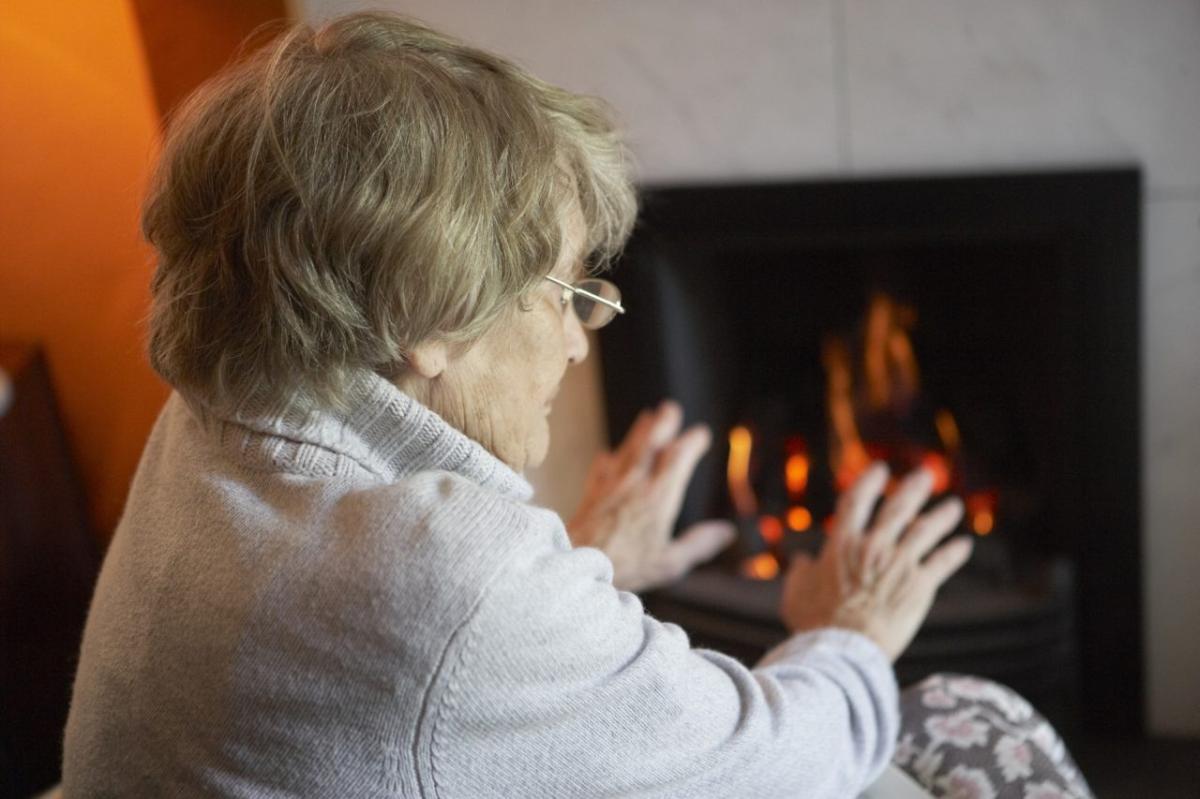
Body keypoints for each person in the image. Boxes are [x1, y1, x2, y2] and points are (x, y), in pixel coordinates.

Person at [62, 12, 1091, 798]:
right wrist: (852, 627)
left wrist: (576, 564)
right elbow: (775, 764)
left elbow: (407, 675)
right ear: (425, 317)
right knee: (974, 714)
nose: (580, 332)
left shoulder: (212, 419)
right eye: (561, 290)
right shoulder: (445, 575)